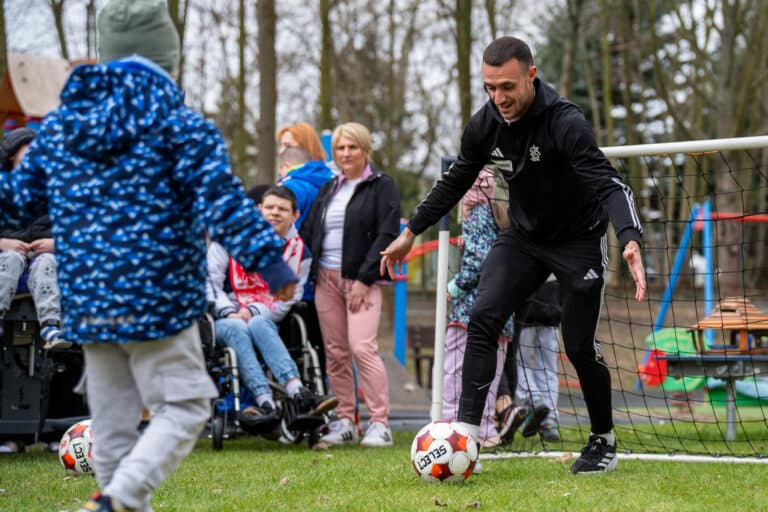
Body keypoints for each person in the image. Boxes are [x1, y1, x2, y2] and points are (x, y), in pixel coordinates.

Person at [0, 1, 299, 511]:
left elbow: (16, 200)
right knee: (187, 404)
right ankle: (119, 498)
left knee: (112, 423)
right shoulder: (181, 127)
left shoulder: (61, 129)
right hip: (158, 295)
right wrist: (272, 265)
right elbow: (224, 201)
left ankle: (116, 499)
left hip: (89, 298)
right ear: (168, 57)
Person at [381, 36, 646, 474]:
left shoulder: (566, 122)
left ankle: (603, 439)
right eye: (489, 87)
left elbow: (609, 184)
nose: (498, 97)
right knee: (482, 317)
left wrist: (630, 237)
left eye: (507, 86)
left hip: (578, 239)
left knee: (579, 347)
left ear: (531, 76)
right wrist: (411, 230)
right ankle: (465, 438)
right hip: (523, 237)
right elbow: (456, 180)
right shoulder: (485, 125)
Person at [206, 186, 338, 435]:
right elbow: (209, 283)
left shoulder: (300, 252)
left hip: (265, 320)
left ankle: (297, 392)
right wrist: (228, 311)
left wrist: (253, 311)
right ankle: (265, 401)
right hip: (226, 318)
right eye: (270, 208)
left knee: (256, 323)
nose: (275, 213)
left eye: (282, 209)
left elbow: (288, 299)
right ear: (259, 210)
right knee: (237, 326)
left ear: (295, 215)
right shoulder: (227, 240)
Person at [301, 122, 401, 447]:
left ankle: (380, 423)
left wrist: (364, 278)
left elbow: (387, 234)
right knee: (336, 353)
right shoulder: (329, 188)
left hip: (362, 279)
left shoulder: (381, 185)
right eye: (341, 148)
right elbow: (309, 232)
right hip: (325, 279)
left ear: (365, 150)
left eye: (352, 147)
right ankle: (346, 420)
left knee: (362, 348)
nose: (346, 153)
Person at [442, 166, 513, 448]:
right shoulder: (504, 219)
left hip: (470, 311)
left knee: (456, 369)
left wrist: (454, 288)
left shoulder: (477, 217)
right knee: (490, 373)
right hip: (504, 309)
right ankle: (485, 429)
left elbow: (477, 261)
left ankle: (449, 425)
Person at [0, 128, 68, 350]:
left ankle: (50, 326)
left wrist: (56, 245)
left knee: (48, 262)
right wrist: (2, 242)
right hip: (8, 256)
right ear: (11, 155)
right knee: (9, 259)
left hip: (44, 258)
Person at [514, 277, 563, 442]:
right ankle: (549, 421)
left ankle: (534, 400)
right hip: (553, 304)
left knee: (520, 363)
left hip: (526, 304)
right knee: (549, 367)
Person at [277, 146, 333, 230]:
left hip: (297, 240)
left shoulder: (290, 186)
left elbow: (285, 223)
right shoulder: (329, 181)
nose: (280, 175)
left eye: (280, 170)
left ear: (286, 165)